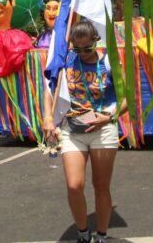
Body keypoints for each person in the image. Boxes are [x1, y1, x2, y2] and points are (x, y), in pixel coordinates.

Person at [43, 20, 125, 243]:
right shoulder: (65, 61)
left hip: (103, 128)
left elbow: (127, 97)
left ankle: (102, 234)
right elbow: (49, 89)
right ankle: (82, 232)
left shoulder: (108, 62)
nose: (82, 54)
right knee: (74, 185)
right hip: (72, 128)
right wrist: (48, 117)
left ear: (96, 41)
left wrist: (109, 117)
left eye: (87, 49)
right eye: (76, 49)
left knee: (101, 186)